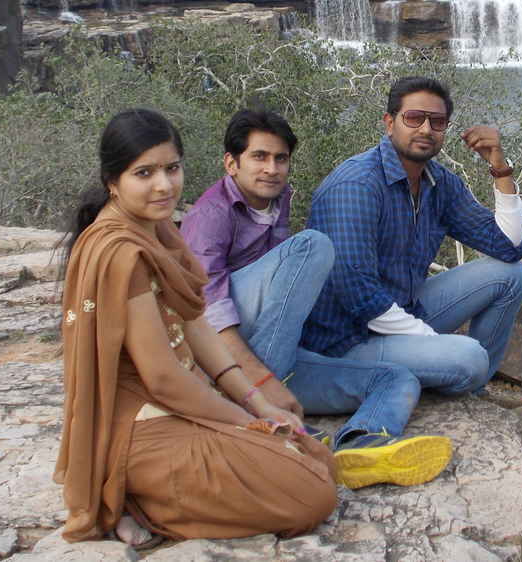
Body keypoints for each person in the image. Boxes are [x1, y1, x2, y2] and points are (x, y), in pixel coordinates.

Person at [54, 108, 337, 549]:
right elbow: (162, 378)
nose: (164, 185)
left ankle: (153, 494)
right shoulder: (120, 252)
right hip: (141, 424)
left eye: (171, 168)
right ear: (114, 180)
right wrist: (246, 423)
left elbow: (198, 325)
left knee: (314, 455)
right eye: (143, 173)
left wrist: (259, 402)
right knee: (311, 494)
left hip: (181, 406)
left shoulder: (160, 230)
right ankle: (131, 495)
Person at [180, 107, 451, 489]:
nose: (272, 168)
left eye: (280, 159)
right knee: (311, 246)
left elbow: (284, 300)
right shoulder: (210, 215)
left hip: (278, 358)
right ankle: (267, 424)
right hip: (230, 368)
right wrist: (261, 383)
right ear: (231, 163)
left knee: (397, 378)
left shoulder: (278, 202)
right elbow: (209, 317)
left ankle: (362, 444)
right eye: (259, 157)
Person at [302, 76, 522, 400]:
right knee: (468, 357)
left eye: (437, 121)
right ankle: (443, 371)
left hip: (402, 314)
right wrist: (431, 343)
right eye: (414, 118)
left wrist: (500, 167)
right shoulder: (357, 185)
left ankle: (471, 387)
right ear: (389, 123)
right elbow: (357, 293)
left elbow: (509, 247)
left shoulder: (438, 183)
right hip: (347, 340)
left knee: (512, 275)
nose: (426, 129)